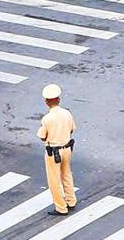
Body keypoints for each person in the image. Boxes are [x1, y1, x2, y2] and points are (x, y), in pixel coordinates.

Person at [37, 83, 76, 216]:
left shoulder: (47, 119)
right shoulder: (67, 113)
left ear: (47, 102)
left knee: (54, 180)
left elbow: (42, 136)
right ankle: (71, 200)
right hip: (67, 148)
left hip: (53, 152)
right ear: (59, 99)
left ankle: (61, 207)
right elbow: (72, 129)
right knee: (67, 174)